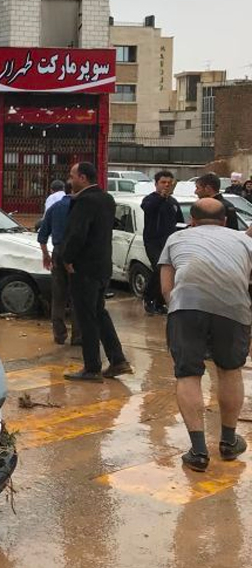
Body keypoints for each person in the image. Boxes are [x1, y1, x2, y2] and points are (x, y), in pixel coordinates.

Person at [159, 198, 251, 471]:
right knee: (230, 370)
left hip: (186, 306)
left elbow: (166, 285)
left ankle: (198, 451)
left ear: (193, 221)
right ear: (224, 221)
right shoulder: (244, 241)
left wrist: (175, 308)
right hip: (233, 309)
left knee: (188, 374)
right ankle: (228, 441)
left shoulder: (176, 238)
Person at [61, 162, 132, 382]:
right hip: (102, 266)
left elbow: (77, 234)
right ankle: (118, 359)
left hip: (84, 268)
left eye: (72, 176)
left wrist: (67, 258)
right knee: (99, 313)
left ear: (82, 177)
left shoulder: (85, 201)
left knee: (87, 318)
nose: (69, 180)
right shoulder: (106, 199)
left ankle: (92, 367)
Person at [140, 171, 183, 315]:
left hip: (170, 242)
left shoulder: (173, 202)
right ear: (156, 184)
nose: (166, 185)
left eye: (168, 183)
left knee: (169, 272)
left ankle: (159, 302)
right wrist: (162, 197)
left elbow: (179, 221)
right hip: (153, 242)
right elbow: (148, 208)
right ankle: (148, 297)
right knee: (159, 268)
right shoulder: (150, 199)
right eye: (163, 183)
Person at [38, 193, 78, 346]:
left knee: (58, 296)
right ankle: (78, 336)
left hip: (58, 252)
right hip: (76, 253)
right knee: (77, 296)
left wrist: (46, 256)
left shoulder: (54, 208)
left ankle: (59, 335)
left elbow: (42, 237)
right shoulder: (80, 207)